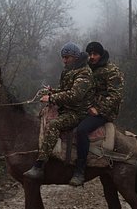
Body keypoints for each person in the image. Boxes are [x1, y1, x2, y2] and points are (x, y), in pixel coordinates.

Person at [23, 42, 94, 180]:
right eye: (63, 57)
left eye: (67, 57)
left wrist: (51, 98)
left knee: (54, 125)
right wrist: (51, 91)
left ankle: (39, 165)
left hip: (78, 112)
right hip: (67, 108)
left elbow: (75, 95)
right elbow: (65, 90)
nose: (64, 60)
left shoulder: (84, 73)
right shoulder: (70, 70)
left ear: (75, 57)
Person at [70, 41, 125, 186]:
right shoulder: (88, 68)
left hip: (104, 111)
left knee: (82, 130)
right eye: (89, 54)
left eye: (95, 54)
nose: (92, 57)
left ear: (101, 55)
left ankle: (80, 170)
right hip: (87, 108)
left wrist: (99, 109)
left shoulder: (111, 70)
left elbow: (116, 95)